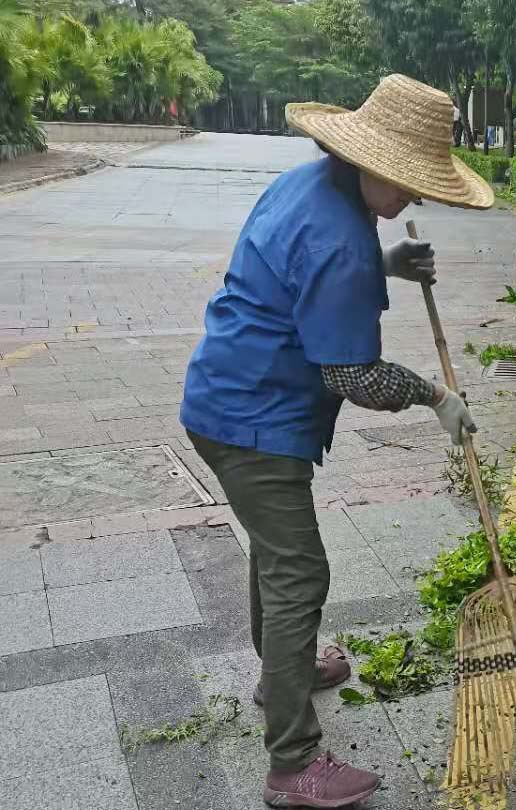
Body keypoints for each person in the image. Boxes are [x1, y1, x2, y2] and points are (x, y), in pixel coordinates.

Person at [179, 74, 493, 809]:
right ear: (372, 162)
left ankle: (279, 675)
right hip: (252, 418)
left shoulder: (308, 186)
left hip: (224, 399)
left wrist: (385, 264)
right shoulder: (342, 238)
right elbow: (353, 374)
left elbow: (295, 276)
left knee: (276, 552)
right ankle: (292, 763)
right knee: (301, 573)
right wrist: (435, 395)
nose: (414, 199)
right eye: (411, 185)